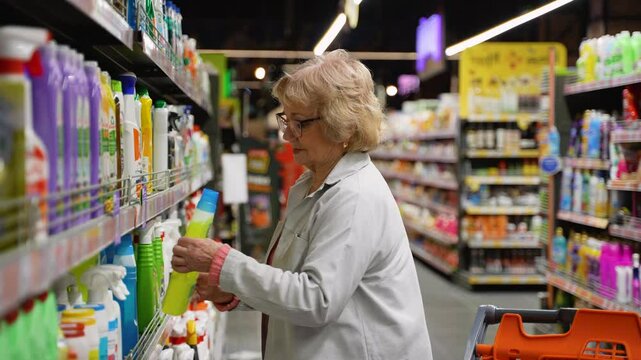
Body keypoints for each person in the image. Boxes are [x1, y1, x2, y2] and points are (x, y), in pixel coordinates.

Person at [170, 49, 433, 360]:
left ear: (343, 126)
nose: (285, 134)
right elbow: (288, 281)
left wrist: (225, 262)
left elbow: (316, 299)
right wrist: (234, 289)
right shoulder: (310, 185)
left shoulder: (355, 196)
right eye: (286, 118)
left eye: (300, 123)